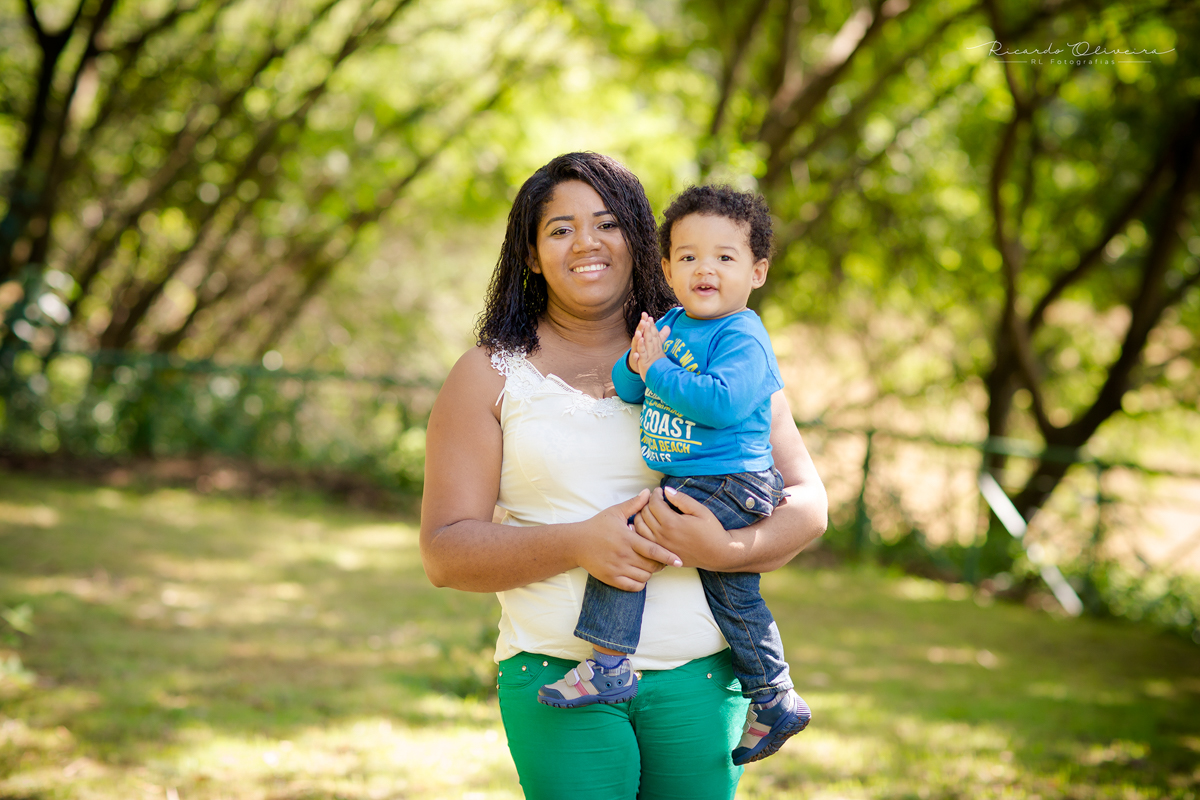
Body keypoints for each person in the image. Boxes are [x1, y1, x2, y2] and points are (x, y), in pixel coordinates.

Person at [420, 152, 827, 800]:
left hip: (702, 679)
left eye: (607, 223)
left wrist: (727, 550)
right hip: (558, 674)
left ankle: (771, 694)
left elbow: (807, 503)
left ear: (639, 239)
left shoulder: (716, 345)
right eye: (560, 229)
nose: (586, 242)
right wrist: (578, 543)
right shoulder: (489, 375)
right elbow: (445, 553)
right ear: (530, 254)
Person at [537, 184, 809, 766]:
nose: (704, 268)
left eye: (725, 257)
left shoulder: (743, 335)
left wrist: (658, 368)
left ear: (757, 271)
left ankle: (608, 664)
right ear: (666, 267)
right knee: (731, 590)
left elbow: (719, 404)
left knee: (628, 536)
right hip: (700, 480)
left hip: (730, 478)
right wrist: (638, 361)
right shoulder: (674, 324)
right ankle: (774, 694)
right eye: (687, 257)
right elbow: (636, 386)